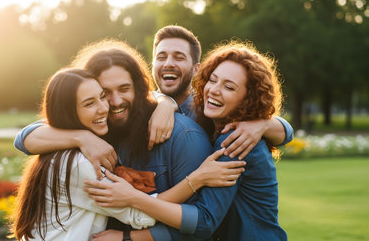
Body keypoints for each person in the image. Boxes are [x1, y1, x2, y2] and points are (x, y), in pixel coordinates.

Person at [15, 40, 247, 240]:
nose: (112, 102)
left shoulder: (183, 136)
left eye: (124, 89)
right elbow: (24, 139)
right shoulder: (84, 153)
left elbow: (200, 224)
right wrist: (82, 137)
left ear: (138, 88)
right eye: (103, 94)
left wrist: (166, 102)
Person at [84, 41, 288, 240]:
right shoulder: (208, 122)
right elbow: (148, 97)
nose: (214, 89)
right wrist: (166, 102)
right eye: (213, 79)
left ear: (248, 98)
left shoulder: (236, 141)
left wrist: (131, 211)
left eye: (229, 87)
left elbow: (204, 221)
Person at [9, 68, 156, 241]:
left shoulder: (59, 149)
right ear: (68, 113)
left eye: (102, 97)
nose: (104, 108)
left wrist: (165, 102)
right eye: (89, 103)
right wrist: (193, 181)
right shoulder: (79, 164)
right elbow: (141, 216)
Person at [152, 25, 293, 159]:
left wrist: (263, 124)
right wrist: (164, 101)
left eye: (179, 57)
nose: (168, 63)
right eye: (161, 57)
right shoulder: (141, 107)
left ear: (196, 69)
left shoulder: (211, 108)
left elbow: (287, 133)